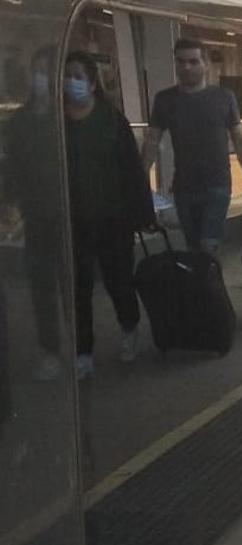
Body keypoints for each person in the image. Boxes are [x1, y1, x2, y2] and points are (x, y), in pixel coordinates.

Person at [60, 51, 155, 379]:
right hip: (74, 220)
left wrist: (143, 212)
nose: (72, 82)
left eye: (78, 76)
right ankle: (83, 350)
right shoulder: (57, 123)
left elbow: (131, 169)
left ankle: (129, 326)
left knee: (118, 280)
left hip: (114, 218)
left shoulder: (112, 119)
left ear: (90, 82)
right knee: (78, 287)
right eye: (67, 75)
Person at [142, 38, 242, 254]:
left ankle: (206, 282)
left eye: (193, 62)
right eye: (181, 61)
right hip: (184, 187)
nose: (186, 67)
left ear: (206, 64)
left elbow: (240, 141)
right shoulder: (165, 100)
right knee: (193, 247)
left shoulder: (224, 97)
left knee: (207, 245)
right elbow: (151, 142)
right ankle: (202, 285)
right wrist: (140, 182)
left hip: (217, 185)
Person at [3, 47, 64, 380]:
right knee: (42, 285)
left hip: (71, 215)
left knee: (73, 284)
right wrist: (10, 204)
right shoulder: (20, 123)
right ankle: (50, 349)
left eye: (49, 73)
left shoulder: (69, 117)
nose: (43, 80)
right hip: (37, 215)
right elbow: (13, 166)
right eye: (39, 72)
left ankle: (81, 345)